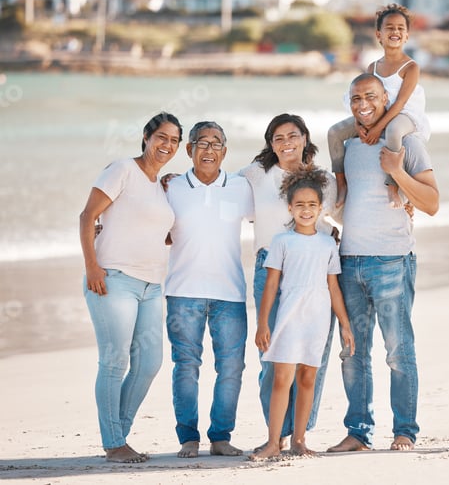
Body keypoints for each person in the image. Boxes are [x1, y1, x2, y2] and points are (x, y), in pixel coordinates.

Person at [327, 73, 439, 453]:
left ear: (387, 98)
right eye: (356, 97)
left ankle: (404, 430)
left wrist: (396, 172)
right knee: (353, 352)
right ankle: (358, 432)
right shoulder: (347, 146)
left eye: (371, 96)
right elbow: (337, 197)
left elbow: (432, 203)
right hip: (349, 262)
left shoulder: (408, 143)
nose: (363, 104)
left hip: (392, 260)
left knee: (398, 351)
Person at [79, 112, 183, 463]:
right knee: (114, 361)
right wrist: (93, 266)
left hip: (152, 285)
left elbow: (158, 233)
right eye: (161, 137)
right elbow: (87, 216)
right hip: (113, 279)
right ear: (146, 137)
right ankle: (114, 443)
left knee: (149, 362)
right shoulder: (122, 169)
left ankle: (117, 434)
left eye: (174, 140)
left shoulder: (161, 186)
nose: (167, 145)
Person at [239, 114, 341, 451]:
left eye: (292, 135)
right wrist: (173, 185)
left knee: (310, 358)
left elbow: (339, 214)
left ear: (304, 138)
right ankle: (276, 434)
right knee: (272, 357)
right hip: (270, 267)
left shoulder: (324, 179)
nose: (286, 143)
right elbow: (219, 190)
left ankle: (300, 434)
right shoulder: (257, 173)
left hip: (312, 271)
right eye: (278, 137)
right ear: (270, 143)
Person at [250, 165, 355, 461]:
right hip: (288, 318)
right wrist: (262, 324)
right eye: (300, 205)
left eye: (312, 205)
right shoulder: (282, 241)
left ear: (321, 208)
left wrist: (345, 325)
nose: (306, 210)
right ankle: (273, 442)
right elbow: (271, 284)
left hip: (317, 319)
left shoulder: (327, 244)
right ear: (290, 207)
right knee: (282, 378)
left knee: (308, 378)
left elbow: (333, 287)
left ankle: (299, 440)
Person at [164, 121, 254, 459]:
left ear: (225, 152)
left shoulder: (241, 187)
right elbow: (146, 221)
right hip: (182, 292)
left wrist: (324, 229)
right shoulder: (171, 188)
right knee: (185, 365)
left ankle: (220, 436)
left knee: (231, 367)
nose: (210, 149)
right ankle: (188, 437)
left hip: (229, 294)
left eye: (217, 143)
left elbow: (278, 214)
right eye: (202, 143)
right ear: (188, 150)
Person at [328, 3, 431, 209]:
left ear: (407, 36)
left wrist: (376, 128)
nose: (395, 31)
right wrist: (359, 123)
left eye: (401, 28)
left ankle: (392, 187)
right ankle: (341, 185)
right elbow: (363, 98)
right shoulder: (372, 67)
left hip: (404, 115)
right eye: (390, 27)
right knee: (335, 133)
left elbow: (399, 102)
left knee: (393, 131)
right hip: (379, 114)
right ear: (379, 34)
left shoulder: (411, 67)